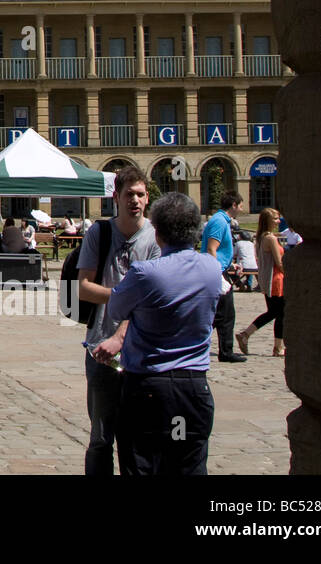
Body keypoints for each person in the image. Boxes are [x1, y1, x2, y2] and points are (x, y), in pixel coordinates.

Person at [104, 191, 222, 475]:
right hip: (194, 385)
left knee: (141, 465)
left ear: (157, 233)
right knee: (189, 466)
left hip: (149, 386)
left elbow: (116, 310)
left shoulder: (146, 273)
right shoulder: (212, 268)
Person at [77, 165, 159, 476]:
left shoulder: (154, 237)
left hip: (141, 350)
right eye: (129, 195)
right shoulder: (100, 233)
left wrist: (124, 300)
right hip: (99, 347)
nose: (135, 201)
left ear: (147, 197)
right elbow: (84, 288)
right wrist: (125, 296)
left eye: (140, 194)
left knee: (135, 437)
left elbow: (151, 296)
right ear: (116, 197)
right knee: (100, 437)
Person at [203, 192, 246, 363]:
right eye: (241, 205)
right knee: (225, 315)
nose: (242, 209)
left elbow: (219, 251)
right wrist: (217, 276)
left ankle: (222, 350)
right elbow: (211, 248)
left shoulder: (222, 220)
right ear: (234, 205)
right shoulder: (220, 221)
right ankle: (226, 352)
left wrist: (230, 264)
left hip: (221, 269)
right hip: (216, 273)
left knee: (218, 315)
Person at [237, 208, 286, 357]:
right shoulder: (270, 238)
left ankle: (249, 335)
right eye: (276, 219)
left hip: (268, 279)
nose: (278, 221)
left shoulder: (261, 236)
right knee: (279, 313)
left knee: (275, 312)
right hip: (276, 279)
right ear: (268, 221)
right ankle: (276, 347)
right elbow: (279, 262)